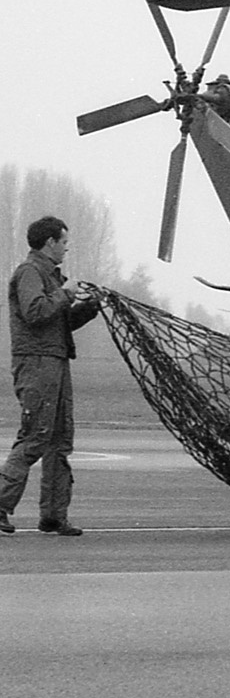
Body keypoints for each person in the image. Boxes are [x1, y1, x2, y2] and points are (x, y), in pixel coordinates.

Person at [1, 216, 100, 536]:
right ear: (49, 242)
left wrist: (88, 307)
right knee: (35, 437)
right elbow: (35, 313)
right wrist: (66, 293)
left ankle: (54, 515)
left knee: (59, 441)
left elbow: (58, 323)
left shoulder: (49, 276)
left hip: (55, 361)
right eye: (63, 242)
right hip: (36, 364)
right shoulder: (30, 272)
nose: (67, 247)